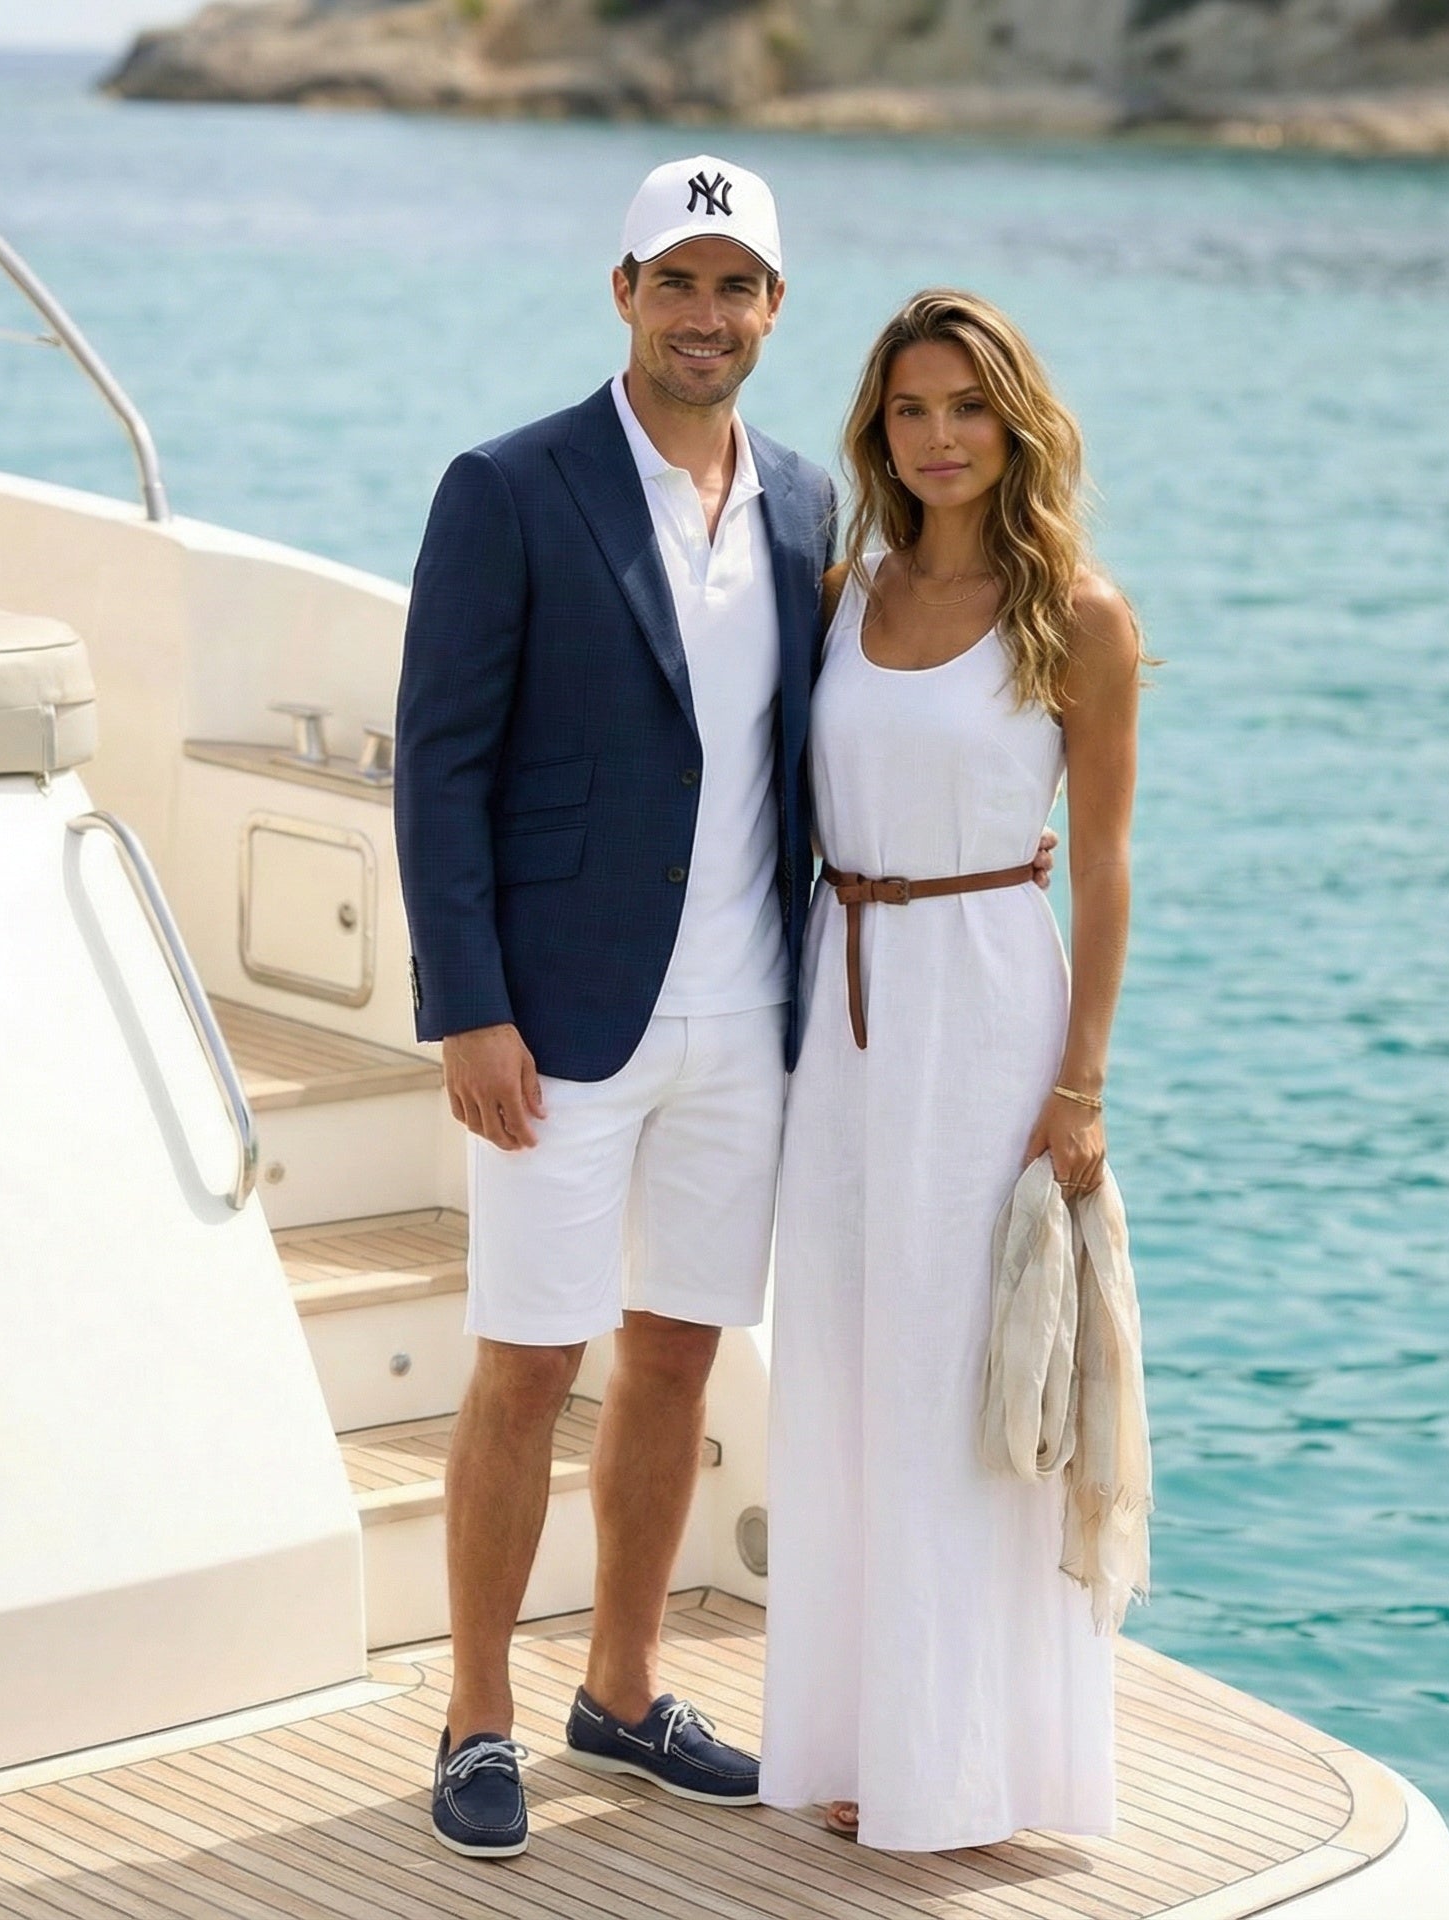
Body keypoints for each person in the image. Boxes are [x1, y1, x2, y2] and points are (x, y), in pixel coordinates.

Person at [391, 154, 833, 1859]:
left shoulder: (807, 506)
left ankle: (625, 1692)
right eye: (676, 281)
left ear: (772, 308)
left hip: (746, 1014)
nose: (704, 315)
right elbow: (441, 763)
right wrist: (468, 1006)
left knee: (679, 1354)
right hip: (559, 1023)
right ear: (624, 291)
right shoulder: (509, 487)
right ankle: (475, 1717)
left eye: (735, 287)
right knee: (526, 1361)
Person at [759, 289, 1144, 1851]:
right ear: (879, 430)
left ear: (1015, 422)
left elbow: (1103, 868)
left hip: (989, 1017)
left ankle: (970, 1769)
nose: (939, 438)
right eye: (911, 410)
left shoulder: (1080, 617)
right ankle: (871, 1739)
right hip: (841, 1020)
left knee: (964, 1383)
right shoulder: (836, 598)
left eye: (968, 408)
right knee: (849, 1369)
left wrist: (1082, 1086)